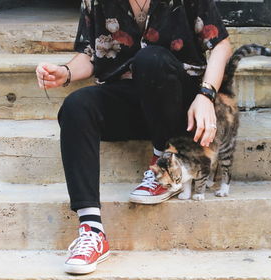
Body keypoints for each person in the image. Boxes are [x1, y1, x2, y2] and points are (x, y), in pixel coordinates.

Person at [35, 0, 232, 275]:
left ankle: (164, 161)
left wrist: (206, 95)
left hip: (179, 104)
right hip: (129, 100)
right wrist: (65, 73)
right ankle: (91, 231)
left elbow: (221, 45)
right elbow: (89, 55)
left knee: (150, 58)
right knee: (76, 106)